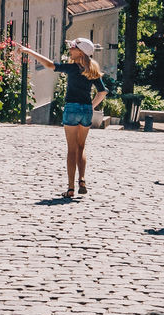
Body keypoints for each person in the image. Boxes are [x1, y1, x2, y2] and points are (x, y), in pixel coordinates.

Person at [20, 38, 108, 199]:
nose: (70, 50)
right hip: (86, 110)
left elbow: (49, 65)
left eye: (73, 48)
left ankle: (70, 188)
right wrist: (91, 106)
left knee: (71, 150)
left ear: (80, 52)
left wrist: (29, 52)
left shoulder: (72, 68)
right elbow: (102, 92)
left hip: (72, 109)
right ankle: (82, 179)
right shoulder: (93, 69)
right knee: (81, 147)